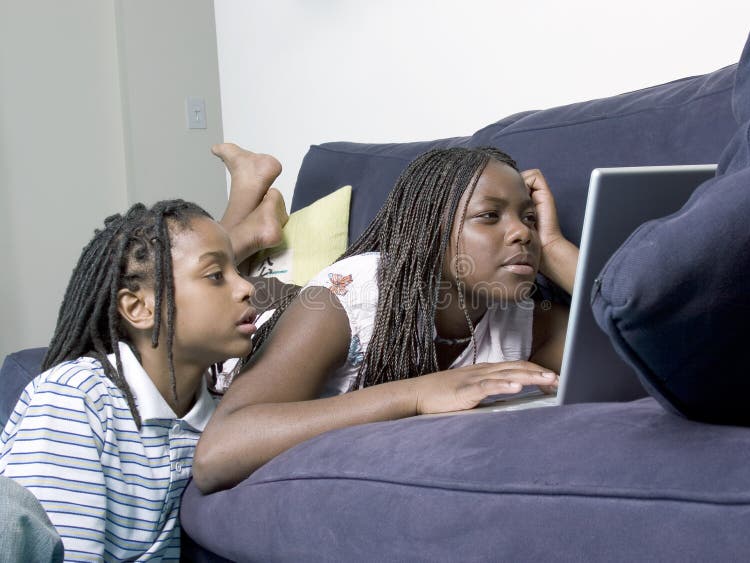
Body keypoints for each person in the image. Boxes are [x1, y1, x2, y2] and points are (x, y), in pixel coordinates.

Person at [193, 146, 579, 494]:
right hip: (254, 321)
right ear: (429, 231)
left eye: (529, 218)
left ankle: (250, 206)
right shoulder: (349, 298)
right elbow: (217, 454)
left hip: (292, 293)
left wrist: (555, 249)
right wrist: (415, 394)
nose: (521, 232)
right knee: (174, 287)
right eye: (489, 215)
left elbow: (630, 343)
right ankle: (248, 210)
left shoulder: (521, 314)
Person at [0, 143, 289, 561]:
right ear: (138, 308)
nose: (247, 287)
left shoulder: (219, 422)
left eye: (239, 271)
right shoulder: (75, 398)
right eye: (216, 276)